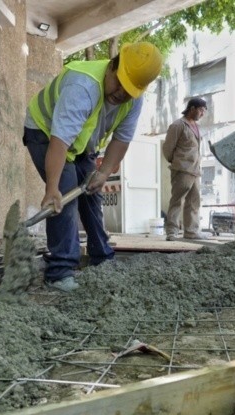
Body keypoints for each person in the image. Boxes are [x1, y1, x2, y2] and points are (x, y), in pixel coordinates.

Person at [23, 42, 163, 292]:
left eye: (128, 89)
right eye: (118, 82)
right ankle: (59, 271)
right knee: (65, 197)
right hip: (45, 132)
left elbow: (121, 141)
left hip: (81, 144)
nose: (121, 93)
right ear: (111, 66)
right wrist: (52, 189)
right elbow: (60, 141)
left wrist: (103, 173)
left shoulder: (134, 101)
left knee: (92, 194)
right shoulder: (83, 86)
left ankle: (101, 256)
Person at [162, 97, 210, 241]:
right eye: (201, 110)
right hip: (182, 169)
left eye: (204, 111)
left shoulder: (196, 126)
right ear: (192, 108)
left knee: (194, 201)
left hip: (195, 170)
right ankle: (172, 232)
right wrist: (177, 162)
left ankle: (191, 231)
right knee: (177, 200)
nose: (202, 114)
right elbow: (167, 148)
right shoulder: (178, 125)